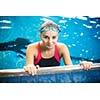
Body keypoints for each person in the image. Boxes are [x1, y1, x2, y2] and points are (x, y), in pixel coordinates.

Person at [24, 21, 92, 75]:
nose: (50, 42)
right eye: (46, 37)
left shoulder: (62, 48)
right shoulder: (32, 48)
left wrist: (82, 65)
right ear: (40, 36)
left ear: (58, 36)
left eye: (54, 37)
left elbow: (70, 69)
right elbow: (29, 67)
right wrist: (30, 67)